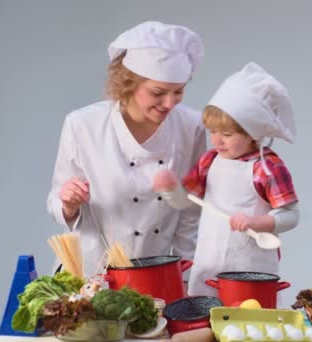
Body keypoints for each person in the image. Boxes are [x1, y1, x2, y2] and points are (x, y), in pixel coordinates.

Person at [46, 21, 206, 277]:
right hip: (90, 275)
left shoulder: (191, 126)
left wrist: (187, 278)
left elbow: (190, 213)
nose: (169, 103)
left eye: (179, 92)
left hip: (158, 275)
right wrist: (68, 203)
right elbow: (57, 202)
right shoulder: (83, 125)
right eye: (158, 92)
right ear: (129, 83)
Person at [153, 62, 299, 296]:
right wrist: (170, 189)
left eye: (227, 134)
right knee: (205, 315)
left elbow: (291, 216)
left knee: (246, 321)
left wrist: (256, 223)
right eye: (213, 131)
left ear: (253, 134)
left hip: (250, 268)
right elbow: (186, 202)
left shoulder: (267, 167)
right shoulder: (209, 161)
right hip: (208, 261)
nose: (217, 141)